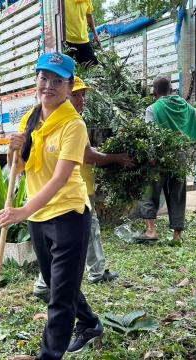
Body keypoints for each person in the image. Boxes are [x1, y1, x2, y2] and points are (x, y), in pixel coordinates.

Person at [0, 52, 102, 360]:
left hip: (69, 214)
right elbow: (21, 166)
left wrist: (22, 211)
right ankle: (91, 323)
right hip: (39, 216)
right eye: (44, 78)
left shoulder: (74, 125)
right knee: (59, 284)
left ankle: (48, 356)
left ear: (69, 86)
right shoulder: (30, 119)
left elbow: (59, 179)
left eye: (57, 81)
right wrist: (11, 152)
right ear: (37, 81)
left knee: (58, 297)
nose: (49, 86)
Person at [32, 76, 133, 302]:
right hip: (73, 191)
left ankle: (59, 281)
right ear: (64, 94)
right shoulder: (69, 122)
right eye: (76, 94)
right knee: (79, 237)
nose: (82, 100)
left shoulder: (63, 120)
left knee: (69, 242)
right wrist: (115, 157)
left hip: (68, 190)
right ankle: (53, 282)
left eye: (83, 95)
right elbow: (86, 155)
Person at [136, 76, 196, 242]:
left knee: (150, 191)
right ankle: (177, 235)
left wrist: (151, 156)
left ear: (155, 92)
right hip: (179, 156)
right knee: (177, 193)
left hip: (159, 156)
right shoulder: (181, 104)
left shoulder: (152, 108)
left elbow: (151, 134)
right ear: (171, 90)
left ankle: (151, 231)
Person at [64, 0, 101, 66]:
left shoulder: (87, 1)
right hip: (67, 40)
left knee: (94, 69)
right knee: (65, 71)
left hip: (83, 40)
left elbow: (89, 16)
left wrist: (96, 34)